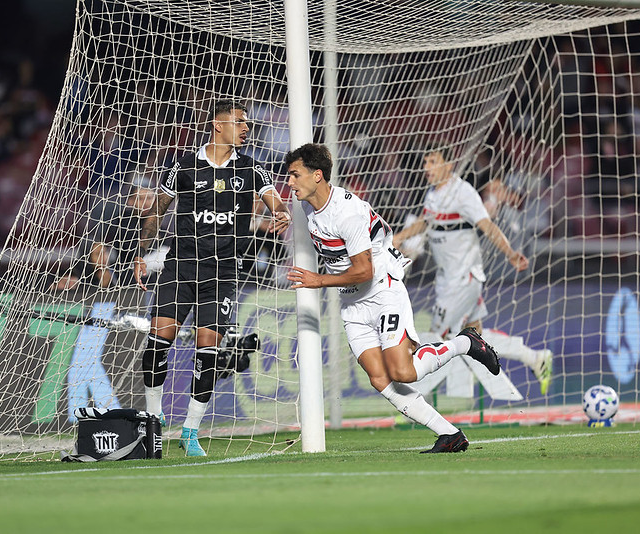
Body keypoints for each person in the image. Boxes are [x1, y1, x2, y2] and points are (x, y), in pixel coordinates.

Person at [285, 143, 500, 454]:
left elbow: (364, 271)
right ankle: (449, 434)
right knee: (379, 378)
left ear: (317, 175)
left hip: (382, 290)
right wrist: (277, 217)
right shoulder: (307, 204)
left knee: (402, 372)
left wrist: (319, 280)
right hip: (352, 303)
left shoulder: (348, 212)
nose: (289, 182)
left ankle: (465, 343)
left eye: (294, 175)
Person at [133, 99, 292, 456]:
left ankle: (190, 431)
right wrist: (142, 254)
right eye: (239, 122)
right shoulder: (184, 166)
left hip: (222, 273)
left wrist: (280, 214)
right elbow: (157, 211)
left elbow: (274, 201)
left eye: (246, 123)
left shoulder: (253, 169)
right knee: (160, 341)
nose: (246, 128)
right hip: (181, 266)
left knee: (209, 350)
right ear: (218, 125)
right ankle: (154, 424)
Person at [392, 143, 554, 394]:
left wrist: (510, 253)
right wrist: (400, 237)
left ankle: (410, 401)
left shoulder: (463, 193)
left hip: (463, 279)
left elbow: (487, 226)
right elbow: (426, 222)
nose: (427, 168)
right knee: (476, 338)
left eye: (433, 161)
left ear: (448, 165)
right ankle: (534, 358)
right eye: (425, 163)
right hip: (449, 277)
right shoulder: (434, 193)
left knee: (438, 338)